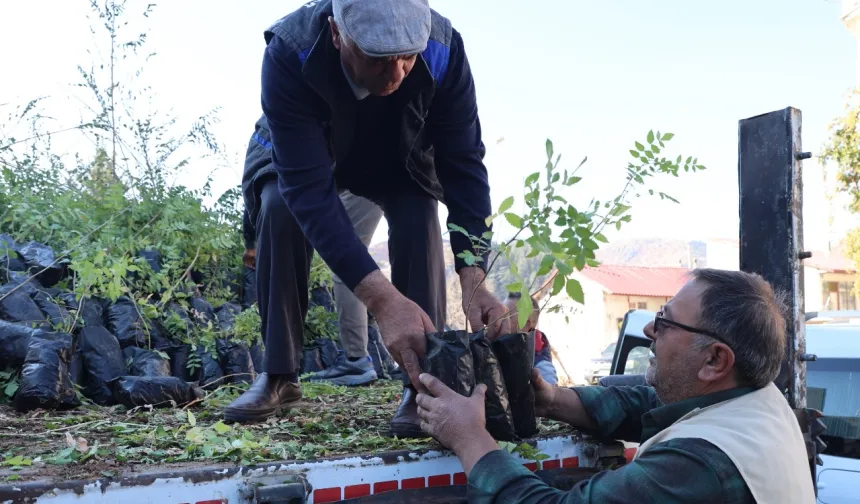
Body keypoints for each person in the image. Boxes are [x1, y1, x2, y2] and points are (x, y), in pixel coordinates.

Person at [225, 0, 510, 438]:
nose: (395, 74)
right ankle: (279, 375)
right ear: (338, 35)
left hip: (396, 151)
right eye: (378, 59)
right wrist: (381, 300)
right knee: (280, 205)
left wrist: (474, 277)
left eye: (407, 57)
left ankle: (423, 386)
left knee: (418, 212)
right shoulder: (290, 50)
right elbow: (308, 191)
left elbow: (464, 162)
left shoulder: (443, 48)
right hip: (310, 147)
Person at [415, 268, 816, 503]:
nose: (648, 329)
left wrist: (468, 438)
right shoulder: (760, 403)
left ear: (714, 360)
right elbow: (647, 403)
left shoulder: (697, 465)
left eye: (666, 321)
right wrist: (553, 400)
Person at [240, 116, 384, 388]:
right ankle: (416, 362)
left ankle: (356, 361)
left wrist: (251, 242)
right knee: (348, 251)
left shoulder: (276, 129)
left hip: (364, 158)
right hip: (356, 157)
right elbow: (261, 185)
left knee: (346, 258)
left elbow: (256, 190)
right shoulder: (279, 126)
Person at [503, 292, 558, 386]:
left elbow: (552, 396)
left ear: (524, 325)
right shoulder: (505, 348)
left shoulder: (541, 367)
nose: (499, 319)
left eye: (507, 316)